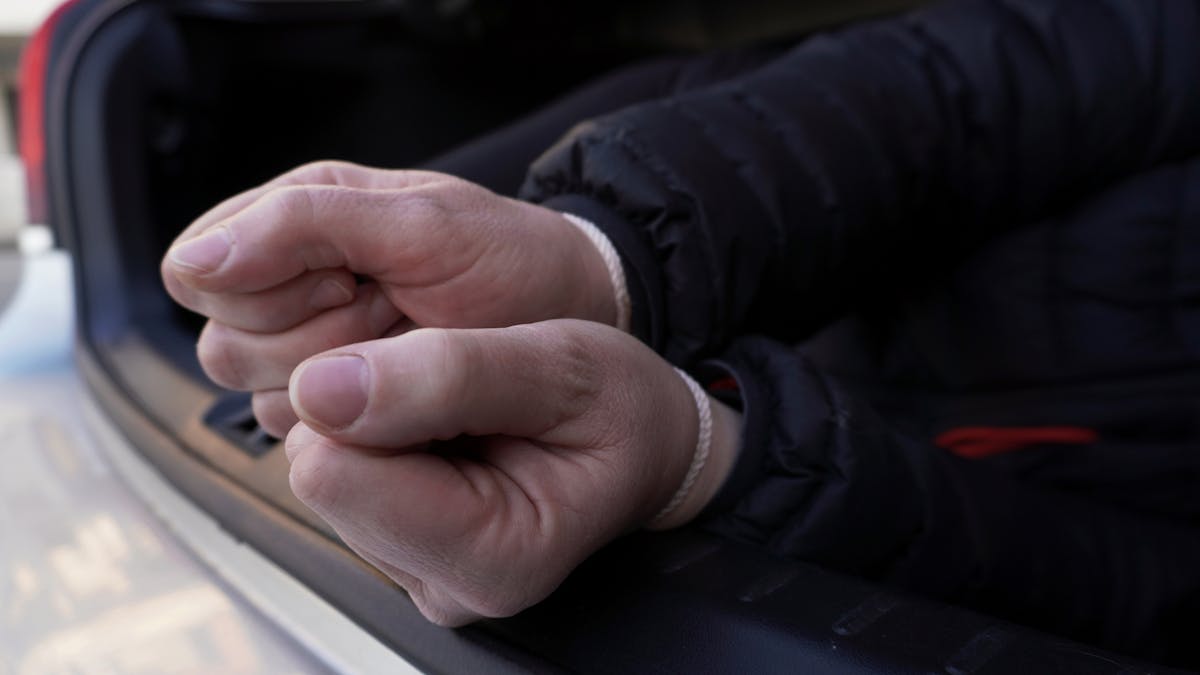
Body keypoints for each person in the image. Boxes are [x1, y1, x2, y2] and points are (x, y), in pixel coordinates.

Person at [161, 0, 1200, 666]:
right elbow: (998, 83)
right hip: (732, 193)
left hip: (844, 507)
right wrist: (605, 258)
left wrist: (710, 460)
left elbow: (1131, 608)